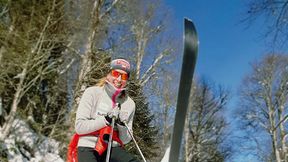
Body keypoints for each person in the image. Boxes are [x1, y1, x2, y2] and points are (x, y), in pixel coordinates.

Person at [67, 58, 138, 162]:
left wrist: (122, 125)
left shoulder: (129, 104)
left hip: (113, 147)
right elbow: (79, 127)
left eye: (123, 76)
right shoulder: (92, 93)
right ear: (108, 74)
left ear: (127, 80)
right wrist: (105, 120)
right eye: (115, 73)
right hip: (88, 144)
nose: (118, 79)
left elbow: (126, 139)